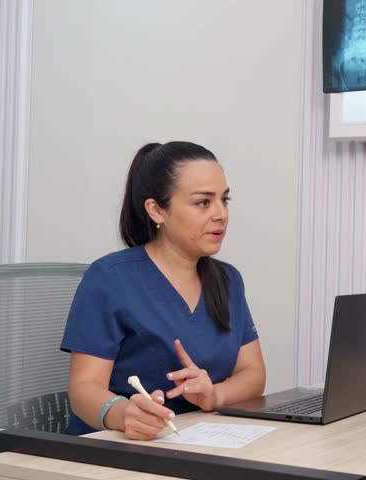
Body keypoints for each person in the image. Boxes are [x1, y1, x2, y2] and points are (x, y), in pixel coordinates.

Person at [61, 141, 266, 440]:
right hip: (116, 448)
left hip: (196, 445)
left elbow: (253, 374)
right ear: (157, 210)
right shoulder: (110, 278)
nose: (221, 214)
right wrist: (123, 415)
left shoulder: (228, 280)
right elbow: (82, 389)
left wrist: (214, 395)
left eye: (225, 200)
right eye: (203, 202)